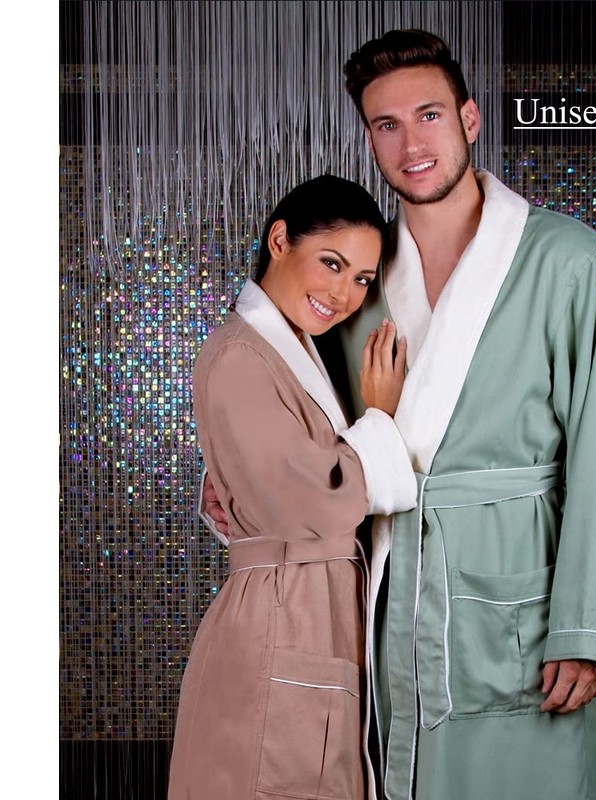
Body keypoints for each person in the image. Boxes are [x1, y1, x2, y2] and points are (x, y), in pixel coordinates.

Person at [204, 29, 596, 800]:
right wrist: (240, 484)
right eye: (387, 124)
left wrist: (587, 628)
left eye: (429, 115)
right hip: (384, 597)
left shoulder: (568, 260)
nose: (411, 144)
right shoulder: (356, 279)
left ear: (469, 119)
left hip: (519, 595)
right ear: (369, 138)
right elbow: (300, 413)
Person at [168, 175, 417, 800]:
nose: (343, 293)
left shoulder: (294, 351)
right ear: (279, 240)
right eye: (331, 263)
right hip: (281, 621)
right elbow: (312, 501)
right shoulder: (241, 354)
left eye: (362, 279)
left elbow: (278, 476)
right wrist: (378, 419)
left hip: (307, 612)